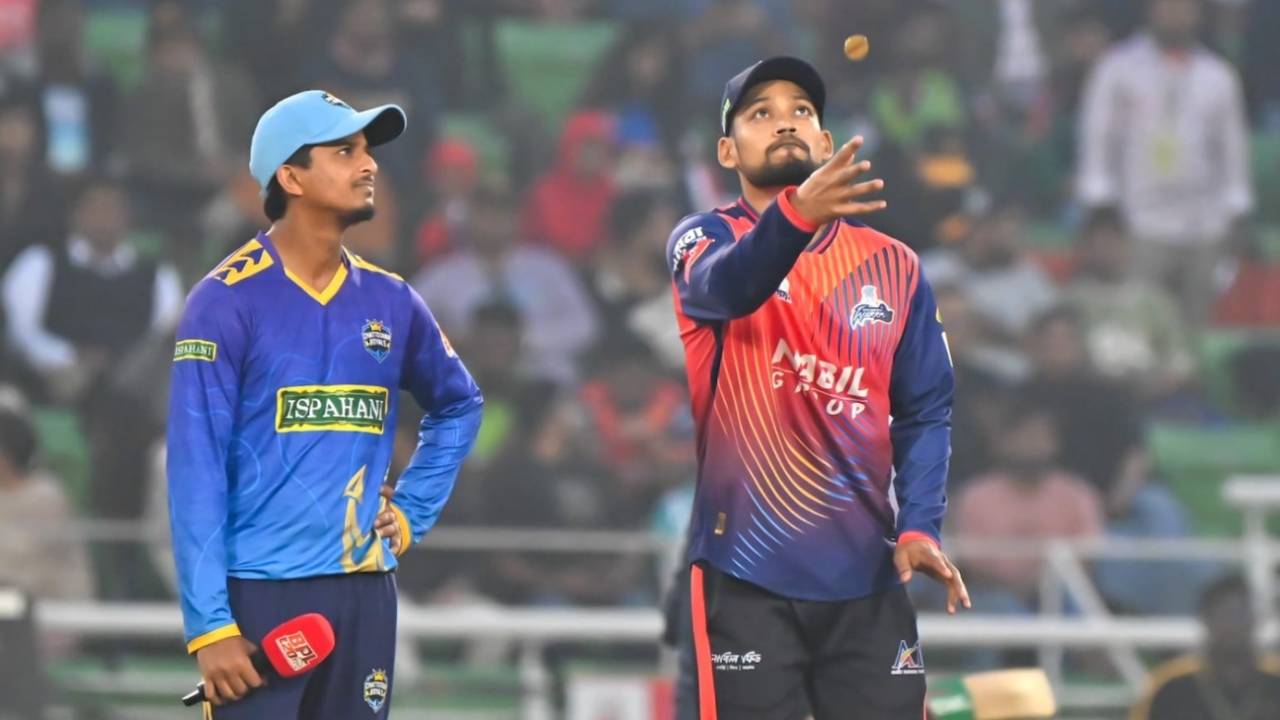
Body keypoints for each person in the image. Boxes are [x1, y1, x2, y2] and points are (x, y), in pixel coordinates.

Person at [665, 56, 969, 719]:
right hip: (744, 574)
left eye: (801, 110)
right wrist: (798, 214)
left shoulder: (896, 265)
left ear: (826, 142)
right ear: (727, 150)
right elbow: (729, 286)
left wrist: (921, 524)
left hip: (867, 577)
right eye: (759, 112)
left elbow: (926, 411)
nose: (784, 122)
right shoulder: (704, 240)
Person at [166, 90, 483, 716]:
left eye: (368, 151)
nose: (368, 165)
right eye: (344, 151)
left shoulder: (392, 300)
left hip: (366, 595)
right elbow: (194, 468)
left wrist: (413, 511)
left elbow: (460, 405)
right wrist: (211, 627)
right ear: (290, 176)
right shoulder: (223, 301)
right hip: (260, 598)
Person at [1077, 0, 1253, 324]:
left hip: (1204, 224)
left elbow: (1232, 149)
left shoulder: (1218, 75)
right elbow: (1098, 138)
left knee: (1195, 324)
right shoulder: (1117, 67)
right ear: (1151, 9)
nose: (1175, 14)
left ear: (1198, 13)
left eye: (1184, 7)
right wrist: (1100, 204)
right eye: (1167, 6)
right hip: (1138, 220)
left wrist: (1236, 207)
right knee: (1138, 320)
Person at [1130, 574, 1280, 720]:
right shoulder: (1169, 686)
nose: (1234, 625)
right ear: (1206, 618)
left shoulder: (1275, 680)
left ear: (1256, 620)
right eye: (1226, 614)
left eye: (1241, 614)